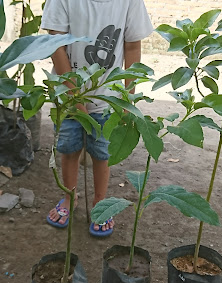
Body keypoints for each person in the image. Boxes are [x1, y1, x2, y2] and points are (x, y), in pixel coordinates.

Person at [41, 0, 153, 236]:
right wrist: (75, 97)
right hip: (68, 96)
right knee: (69, 149)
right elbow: (56, 45)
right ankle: (70, 197)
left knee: (101, 154)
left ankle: (100, 204)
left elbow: (132, 47)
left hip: (108, 100)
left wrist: (127, 97)